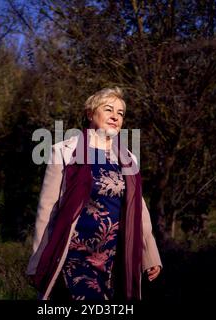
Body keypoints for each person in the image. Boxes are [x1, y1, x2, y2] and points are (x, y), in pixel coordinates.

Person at [26, 87, 162, 300]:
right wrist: (37, 261)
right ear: (90, 113)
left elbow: (139, 211)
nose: (115, 116)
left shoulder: (128, 159)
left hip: (113, 260)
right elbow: (47, 210)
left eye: (121, 113)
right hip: (75, 256)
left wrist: (150, 255)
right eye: (108, 109)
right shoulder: (64, 151)